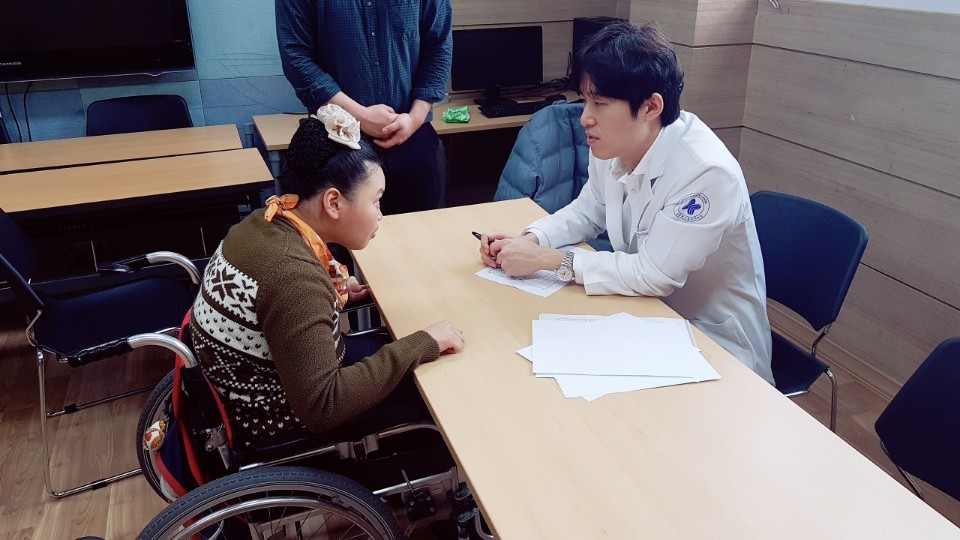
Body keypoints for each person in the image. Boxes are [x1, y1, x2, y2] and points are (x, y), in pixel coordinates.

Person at [479, 22, 774, 385]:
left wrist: (549, 260)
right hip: (647, 318)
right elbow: (588, 210)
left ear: (651, 107)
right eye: (585, 100)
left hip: (714, 343)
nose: (585, 117)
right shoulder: (614, 144)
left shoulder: (706, 173)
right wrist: (531, 239)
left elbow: (654, 274)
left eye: (600, 103)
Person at [191, 105, 464, 446]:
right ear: (333, 203)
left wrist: (330, 293)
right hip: (272, 416)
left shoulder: (267, 218)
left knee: (397, 345)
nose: (380, 214)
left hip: (255, 383)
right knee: (440, 379)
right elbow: (323, 406)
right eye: (376, 201)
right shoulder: (292, 277)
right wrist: (423, 342)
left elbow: (279, 304)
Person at [276, 0, 452, 214]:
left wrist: (414, 118)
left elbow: (439, 46)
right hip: (335, 140)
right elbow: (296, 55)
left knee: (422, 227)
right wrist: (359, 116)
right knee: (338, 232)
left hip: (411, 135)